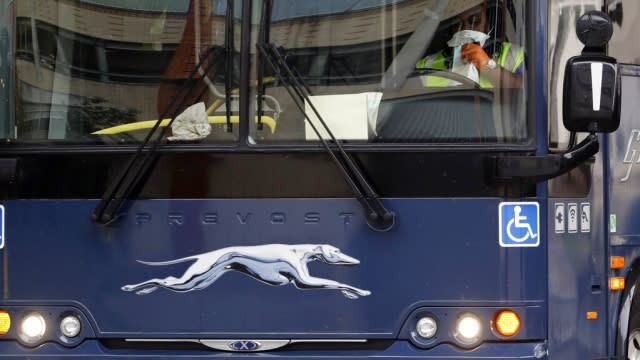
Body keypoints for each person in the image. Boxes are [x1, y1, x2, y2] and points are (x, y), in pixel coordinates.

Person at [416, 0, 524, 88]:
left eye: (474, 20)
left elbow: (528, 96)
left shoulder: (514, 57)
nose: (466, 29)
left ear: (487, 18)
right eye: (457, 24)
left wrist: (487, 66)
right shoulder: (427, 66)